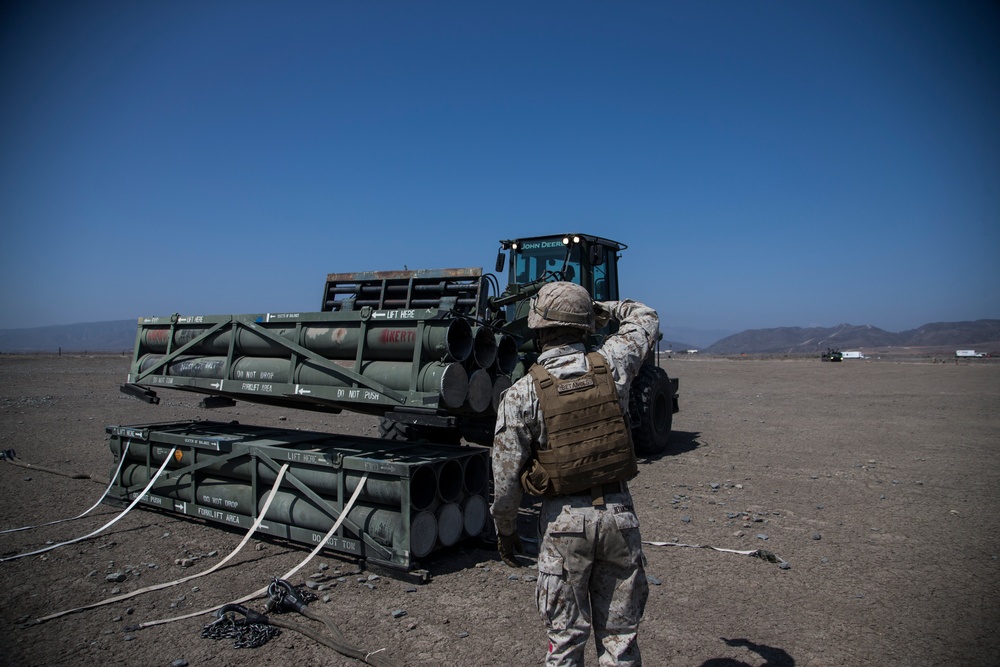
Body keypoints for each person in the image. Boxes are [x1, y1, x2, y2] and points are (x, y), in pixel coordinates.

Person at [490, 281, 659, 667]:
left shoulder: (521, 393)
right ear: (585, 326)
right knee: (620, 643)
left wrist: (506, 531)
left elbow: (505, 481)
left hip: (563, 525)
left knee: (564, 642)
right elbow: (645, 315)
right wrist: (599, 306)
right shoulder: (614, 362)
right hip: (619, 517)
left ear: (539, 329)